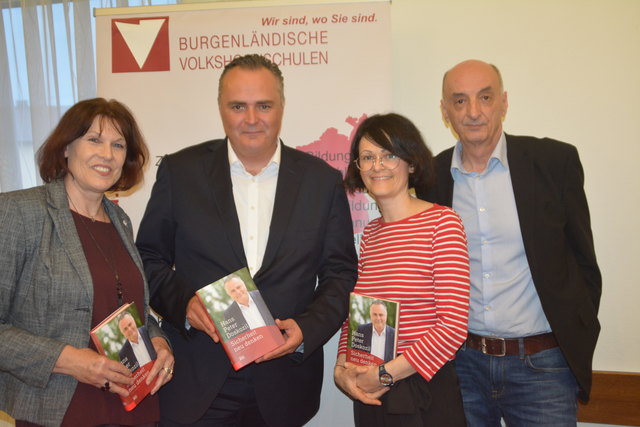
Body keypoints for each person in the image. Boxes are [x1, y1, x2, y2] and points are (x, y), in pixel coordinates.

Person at [136, 54, 357, 426]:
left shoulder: (321, 181)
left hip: (285, 381)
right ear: (221, 108)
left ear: (282, 107)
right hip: (197, 381)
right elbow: (148, 257)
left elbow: (340, 273)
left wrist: (306, 329)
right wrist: (184, 304)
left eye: (264, 106)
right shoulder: (180, 171)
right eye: (238, 106)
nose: (251, 119)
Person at [421, 59, 602, 426]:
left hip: (543, 367)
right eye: (459, 101)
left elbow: (584, 262)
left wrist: (577, 330)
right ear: (444, 112)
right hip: (462, 366)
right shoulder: (431, 176)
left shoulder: (554, 162)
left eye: (484, 97)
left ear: (503, 102)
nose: (473, 112)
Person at [0, 98, 175, 427]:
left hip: (133, 409)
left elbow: (125, 307)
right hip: (62, 412)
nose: (107, 155)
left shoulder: (120, 221)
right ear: (66, 147)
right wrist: (67, 360)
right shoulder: (20, 213)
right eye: (94, 139)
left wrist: (158, 340)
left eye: (118, 145)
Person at [334, 113, 469, 426]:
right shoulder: (370, 234)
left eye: (389, 155)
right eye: (367, 157)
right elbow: (360, 315)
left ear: (411, 163)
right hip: (371, 391)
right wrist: (342, 367)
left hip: (422, 389)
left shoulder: (442, 223)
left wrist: (384, 376)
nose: (377, 165)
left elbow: (453, 326)